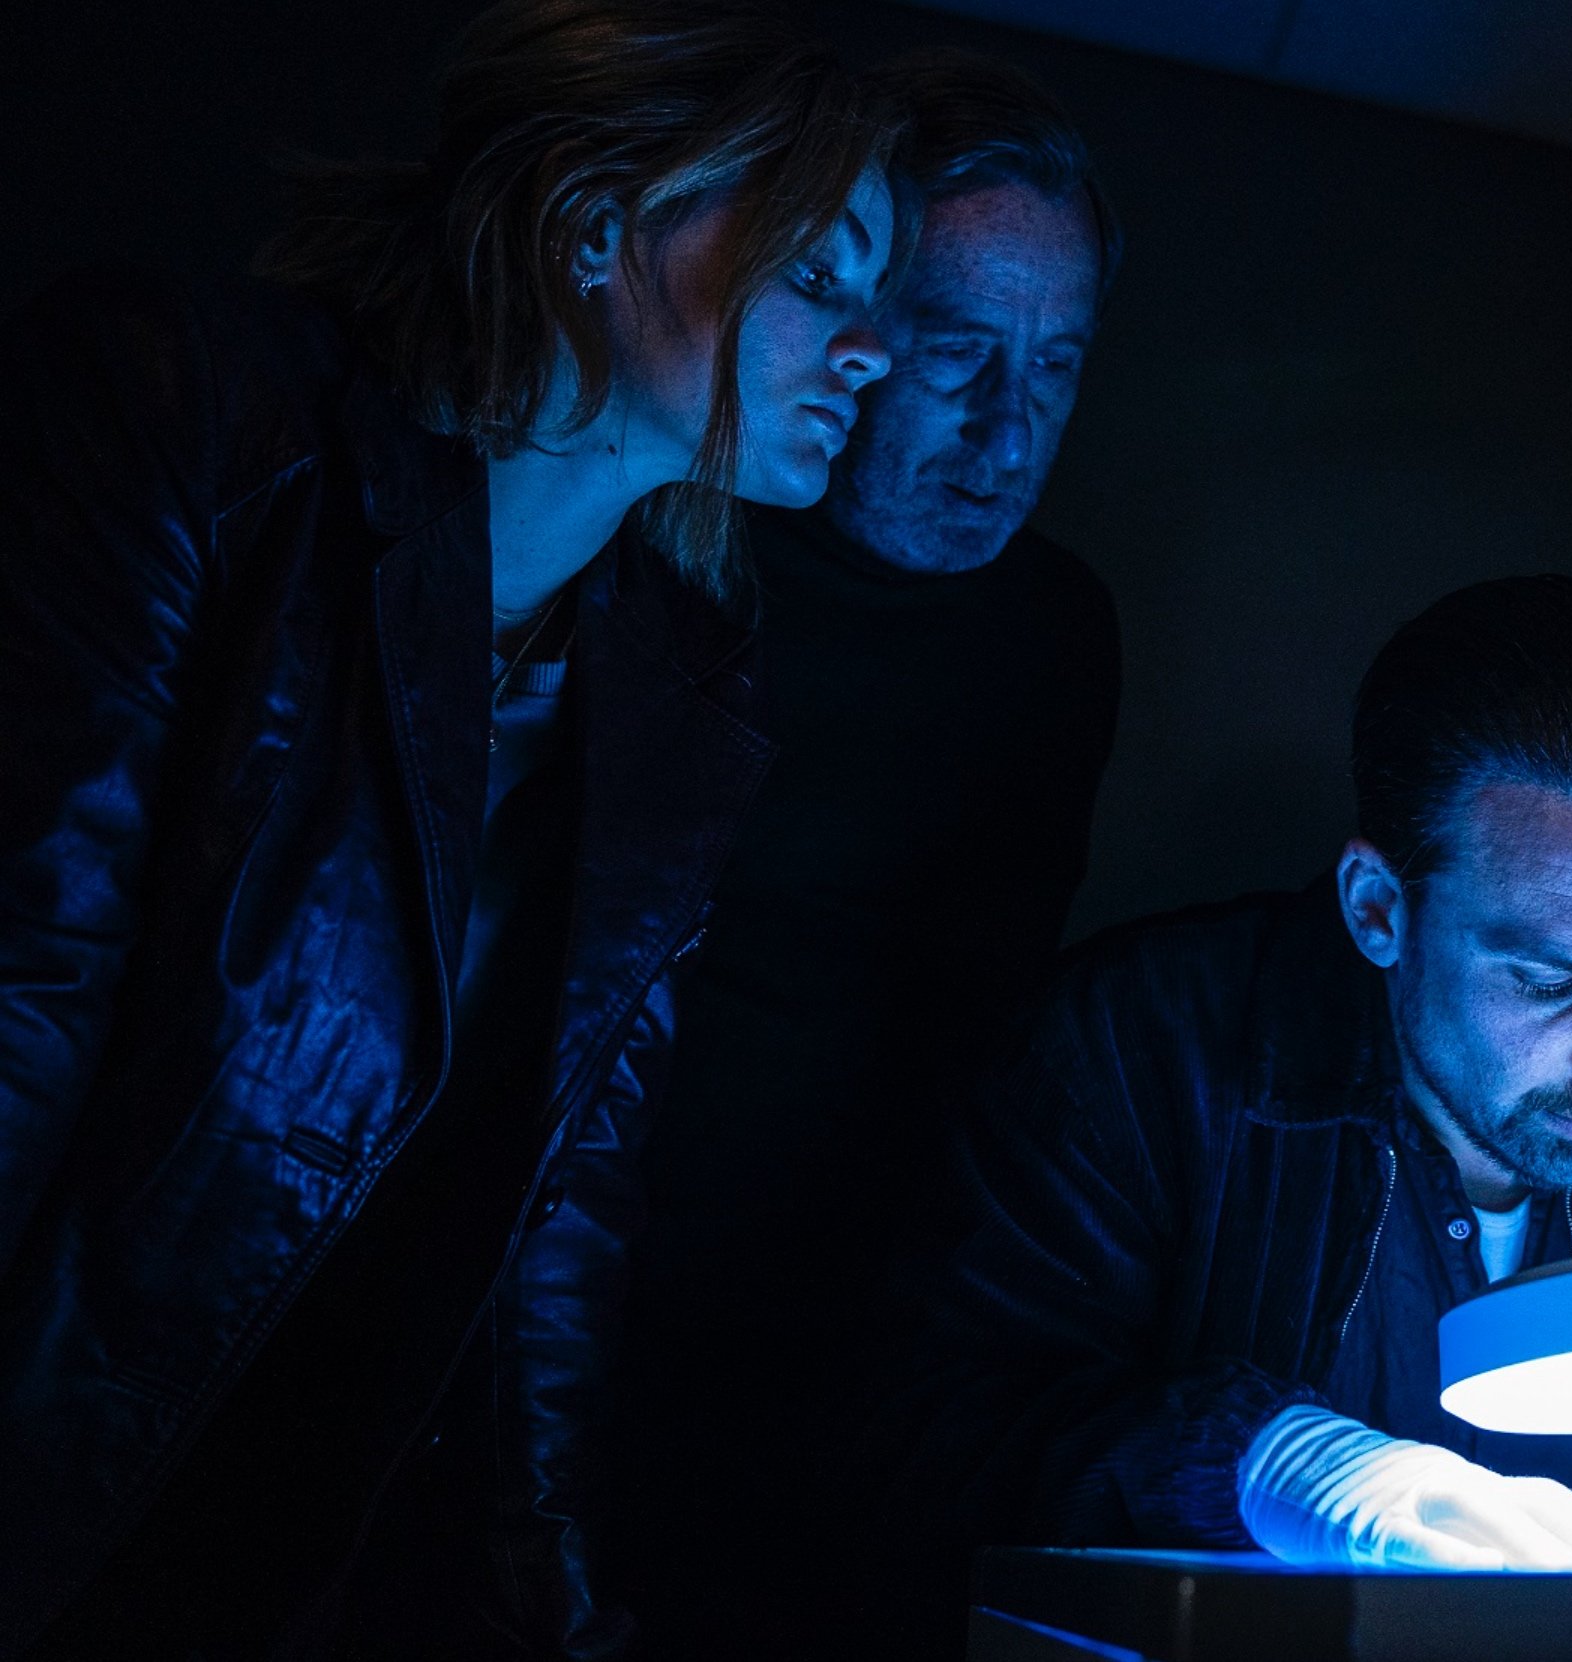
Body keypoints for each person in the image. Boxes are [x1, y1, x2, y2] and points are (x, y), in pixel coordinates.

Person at [0, 2, 900, 1652]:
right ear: (588, 225)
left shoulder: (677, 684)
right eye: (819, 275)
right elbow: (26, 980)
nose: (873, 347)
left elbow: (563, 1208)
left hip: (286, 1538)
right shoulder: (192, 410)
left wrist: (550, 1610)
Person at [857, 577, 1572, 1642]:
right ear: (1377, 910)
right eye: (1554, 981)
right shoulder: (1136, 1052)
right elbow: (933, 1442)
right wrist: (1274, 1467)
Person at [620, 51, 1121, 1652]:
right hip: (604, 1290)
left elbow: (999, 1029)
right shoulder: (677, 551)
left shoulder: (1060, 634)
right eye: (961, 350)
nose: (1006, 425)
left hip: (876, 1347)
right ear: (850, 331)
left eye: (1058, 366)